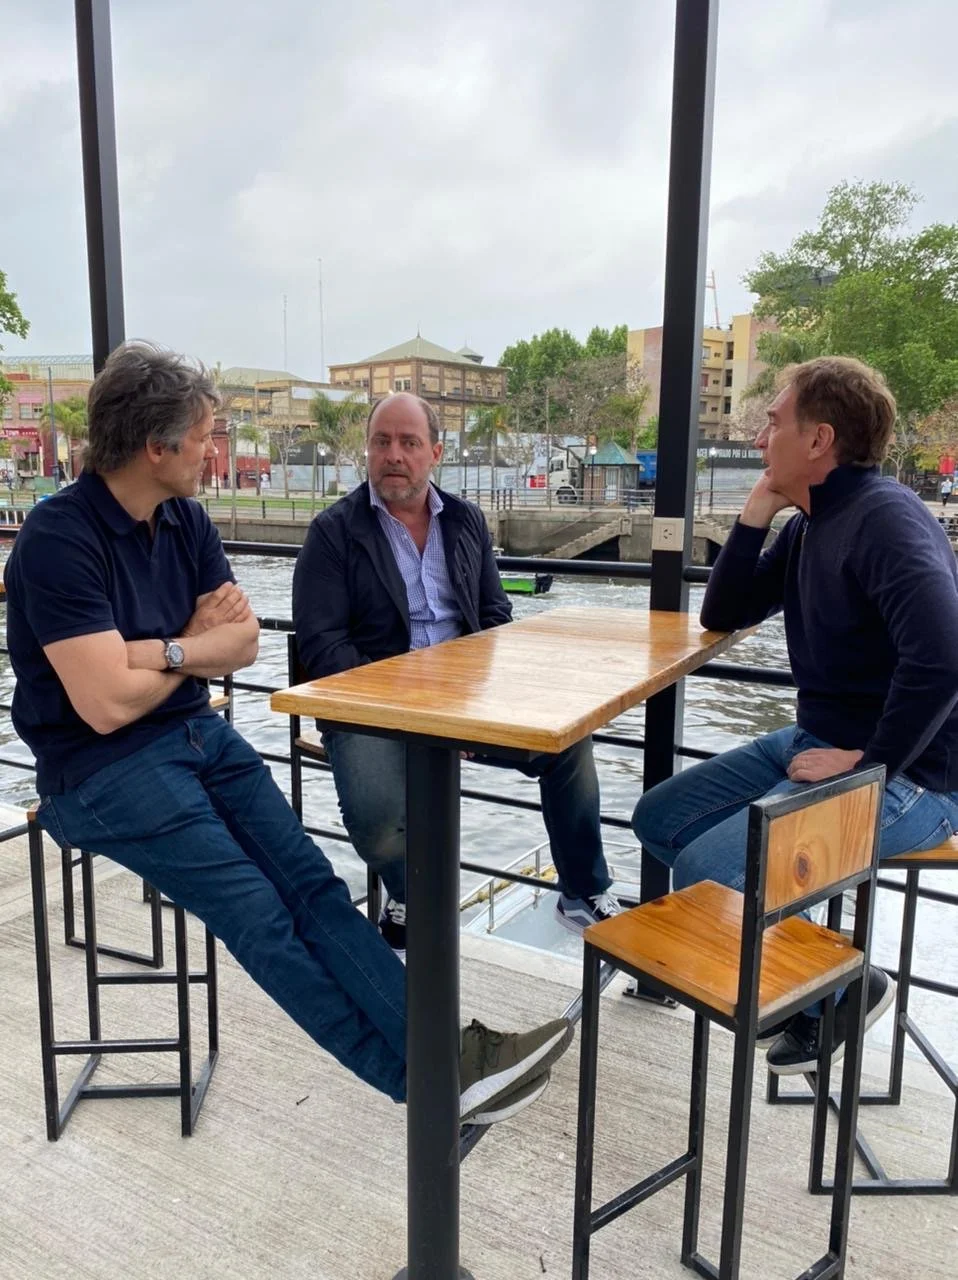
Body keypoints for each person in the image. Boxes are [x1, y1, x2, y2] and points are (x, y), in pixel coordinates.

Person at [4, 343, 573, 1127]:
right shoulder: (59, 538)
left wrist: (153, 653)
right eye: (207, 437)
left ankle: (448, 1063)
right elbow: (101, 707)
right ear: (156, 446)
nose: (217, 452)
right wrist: (185, 648)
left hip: (193, 736)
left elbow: (241, 647)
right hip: (99, 773)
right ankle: (438, 1080)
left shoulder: (186, 520)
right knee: (261, 915)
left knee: (312, 887)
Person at [632, 356, 958, 1075]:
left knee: (706, 870)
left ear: (819, 440)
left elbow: (943, 653)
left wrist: (871, 762)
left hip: (919, 778)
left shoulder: (884, 519)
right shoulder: (814, 522)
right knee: (658, 820)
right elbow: (723, 612)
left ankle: (827, 992)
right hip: (819, 740)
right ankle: (830, 983)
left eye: (774, 423)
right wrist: (758, 509)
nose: (759, 439)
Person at [293, 392, 621, 954]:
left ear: (435, 452)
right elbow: (324, 650)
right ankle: (408, 894)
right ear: (366, 453)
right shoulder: (333, 533)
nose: (394, 454)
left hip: (467, 699)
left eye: (409, 443)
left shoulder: (465, 520)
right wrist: (419, 706)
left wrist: (471, 703)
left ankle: (582, 891)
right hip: (372, 710)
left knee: (568, 741)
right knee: (375, 816)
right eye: (382, 442)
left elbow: (496, 618)